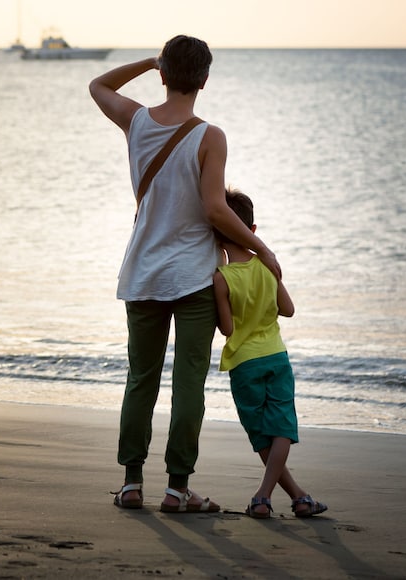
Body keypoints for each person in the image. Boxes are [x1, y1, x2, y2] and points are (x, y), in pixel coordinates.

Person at [89, 35, 281, 513]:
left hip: (144, 274)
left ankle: (131, 484)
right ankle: (177, 489)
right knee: (188, 384)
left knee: (141, 380)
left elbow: (98, 84)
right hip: (194, 278)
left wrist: (148, 60)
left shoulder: (135, 120)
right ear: (206, 80)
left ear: (162, 74)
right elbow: (216, 209)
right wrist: (261, 247)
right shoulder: (209, 135)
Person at [212, 187, 327, 519]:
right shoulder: (266, 265)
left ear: (217, 236)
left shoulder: (221, 278)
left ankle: (266, 495)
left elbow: (228, 330)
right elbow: (288, 309)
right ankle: (296, 497)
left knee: (260, 432)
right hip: (276, 356)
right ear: (252, 231)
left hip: (243, 362)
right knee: (281, 427)